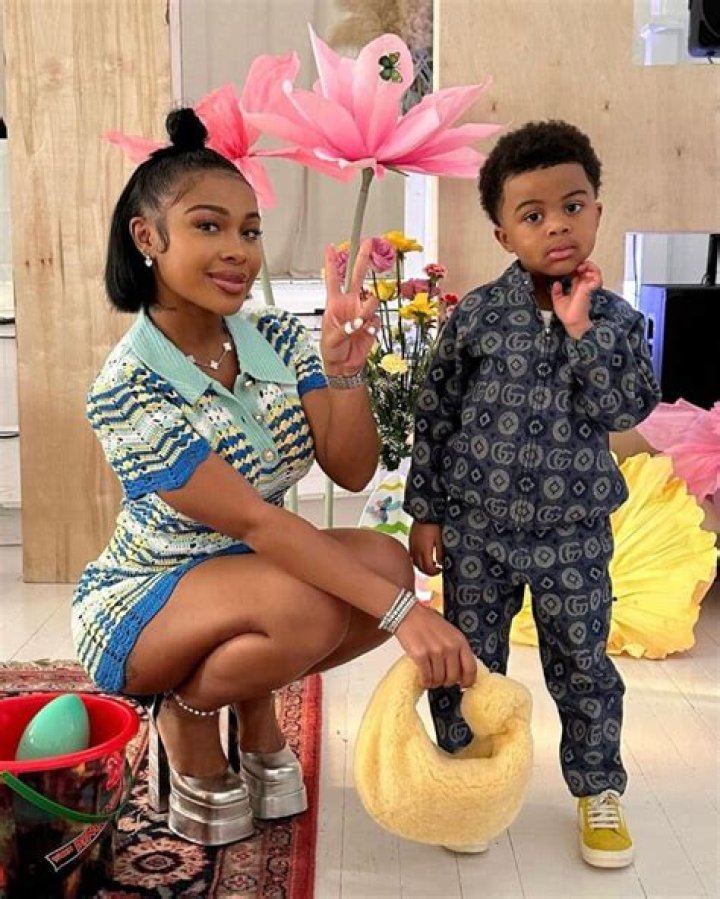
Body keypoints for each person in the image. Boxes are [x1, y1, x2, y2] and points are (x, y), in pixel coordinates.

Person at [72, 108, 476, 847]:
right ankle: (187, 716)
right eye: (209, 226)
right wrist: (406, 617)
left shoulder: (278, 337)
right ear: (147, 238)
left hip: (250, 574)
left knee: (385, 563)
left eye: (251, 231)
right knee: (316, 607)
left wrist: (345, 372)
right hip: (147, 595)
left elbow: (351, 468)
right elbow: (258, 521)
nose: (239, 251)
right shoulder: (126, 386)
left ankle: (251, 706)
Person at [404, 120, 661, 868]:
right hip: (477, 532)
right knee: (469, 662)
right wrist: (426, 510)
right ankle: (471, 780)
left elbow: (626, 408)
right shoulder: (477, 316)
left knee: (583, 664)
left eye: (573, 207)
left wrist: (583, 334)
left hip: (573, 536)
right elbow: (436, 412)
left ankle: (598, 787)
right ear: (503, 233)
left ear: (597, 211)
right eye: (533, 214)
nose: (557, 226)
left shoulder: (618, 321)